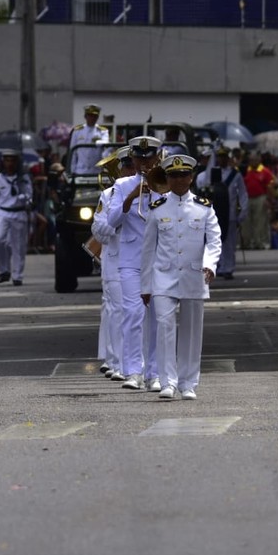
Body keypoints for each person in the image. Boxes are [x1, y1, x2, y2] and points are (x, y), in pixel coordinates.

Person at [141, 154, 222, 400]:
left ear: (191, 177)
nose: (179, 179)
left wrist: (210, 265)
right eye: (173, 175)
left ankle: (188, 383)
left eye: (183, 175)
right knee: (165, 328)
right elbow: (147, 250)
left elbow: (214, 241)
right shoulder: (157, 209)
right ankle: (168, 382)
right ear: (167, 178)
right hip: (163, 277)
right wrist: (145, 285)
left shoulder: (204, 207)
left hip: (194, 276)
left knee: (191, 331)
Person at [105, 135, 165, 391]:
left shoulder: (165, 184)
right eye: (139, 159)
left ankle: (154, 373)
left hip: (159, 259)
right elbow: (111, 221)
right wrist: (130, 198)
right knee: (133, 313)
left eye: (149, 158)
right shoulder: (120, 185)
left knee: (157, 317)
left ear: (157, 158)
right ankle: (132, 371)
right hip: (130, 259)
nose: (144, 163)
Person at [91, 146, 134, 381]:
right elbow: (97, 229)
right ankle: (117, 363)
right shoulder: (108, 196)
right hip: (115, 260)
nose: (129, 169)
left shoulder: (146, 192)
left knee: (137, 312)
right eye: (126, 165)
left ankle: (135, 362)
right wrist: (117, 222)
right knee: (116, 310)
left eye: (132, 165)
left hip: (139, 261)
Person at [195, 145, 247, 279]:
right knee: (214, 240)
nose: (222, 159)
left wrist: (243, 212)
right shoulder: (211, 173)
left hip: (229, 212)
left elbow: (242, 194)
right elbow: (205, 186)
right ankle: (218, 265)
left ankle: (228, 268)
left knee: (229, 242)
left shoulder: (235, 174)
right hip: (214, 211)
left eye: (224, 157)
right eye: (219, 157)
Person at [0, 149, 33, 285]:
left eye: (12, 160)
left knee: (18, 246)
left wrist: (24, 198)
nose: (9, 163)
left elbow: (30, 196)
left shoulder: (23, 178)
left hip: (19, 212)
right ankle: (4, 270)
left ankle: (17, 275)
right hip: (3, 212)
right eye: (7, 160)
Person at [242, 153, 275, 249]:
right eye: (251, 160)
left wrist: (269, 199)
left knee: (260, 221)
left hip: (260, 198)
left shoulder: (265, 171)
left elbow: (270, 186)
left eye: (255, 160)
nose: (253, 162)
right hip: (247, 198)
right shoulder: (246, 171)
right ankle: (247, 243)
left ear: (259, 160)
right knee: (246, 222)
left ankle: (260, 242)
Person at [69, 104, 110, 175]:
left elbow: (106, 143)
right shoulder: (77, 131)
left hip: (96, 170)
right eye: (90, 116)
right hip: (80, 170)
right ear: (85, 116)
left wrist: (98, 142)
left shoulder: (102, 131)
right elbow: (73, 152)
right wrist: (73, 170)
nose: (92, 118)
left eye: (95, 116)